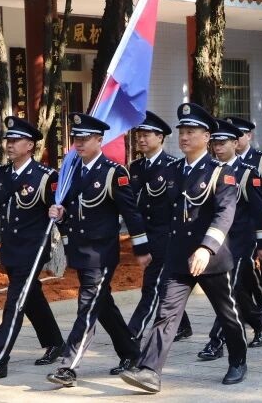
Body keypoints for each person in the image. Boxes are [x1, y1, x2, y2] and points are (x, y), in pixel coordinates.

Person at [119, 103, 246, 392]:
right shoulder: (172, 170)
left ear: (206, 137)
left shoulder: (220, 173)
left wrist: (206, 248)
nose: (184, 137)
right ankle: (149, 371)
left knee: (227, 313)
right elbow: (161, 211)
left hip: (209, 258)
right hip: (177, 256)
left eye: (191, 132)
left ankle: (238, 359)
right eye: (182, 132)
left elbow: (224, 213)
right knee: (166, 311)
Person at [47, 113, 148, 387]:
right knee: (102, 306)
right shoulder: (72, 171)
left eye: (84, 138)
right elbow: (72, 210)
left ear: (99, 140)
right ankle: (131, 352)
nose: (78, 143)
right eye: (76, 138)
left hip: (102, 253)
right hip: (80, 250)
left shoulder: (114, 173)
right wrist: (61, 212)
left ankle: (68, 366)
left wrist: (141, 247)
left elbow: (132, 214)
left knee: (88, 306)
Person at [0, 116, 64, 378]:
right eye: (8, 139)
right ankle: (55, 342)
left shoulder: (45, 177)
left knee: (16, 301)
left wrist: (63, 224)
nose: (9, 144)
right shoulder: (2, 175)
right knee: (31, 296)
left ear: (29, 145)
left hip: (34, 250)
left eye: (15, 140)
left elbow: (64, 210)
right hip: (11, 250)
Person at [116, 111, 191, 376]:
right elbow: (130, 207)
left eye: (147, 134)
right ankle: (182, 325)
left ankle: (131, 343)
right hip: (146, 239)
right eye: (139, 134)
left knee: (152, 291)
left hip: (169, 240)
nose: (141, 139)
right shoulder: (134, 169)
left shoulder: (174, 167)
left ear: (160, 137)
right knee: (163, 289)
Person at [196, 119, 262, 362]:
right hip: (217, 244)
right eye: (215, 143)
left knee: (229, 289)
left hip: (241, 241)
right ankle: (260, 323)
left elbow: (259, 211)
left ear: (235, 143)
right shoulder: (207, 170)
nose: (217, 148)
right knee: (233, 291)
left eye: (223, 143)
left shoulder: (247, 172)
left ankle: (216, 341)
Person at [226, 116, 262, 320]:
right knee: (242, 272)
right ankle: (249, 309)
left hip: (255, 225)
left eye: (239, 134)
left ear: (249, 135)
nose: (236, 139)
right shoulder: (221, 162)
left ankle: (261, 301)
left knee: (253, 268)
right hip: (233, 228)